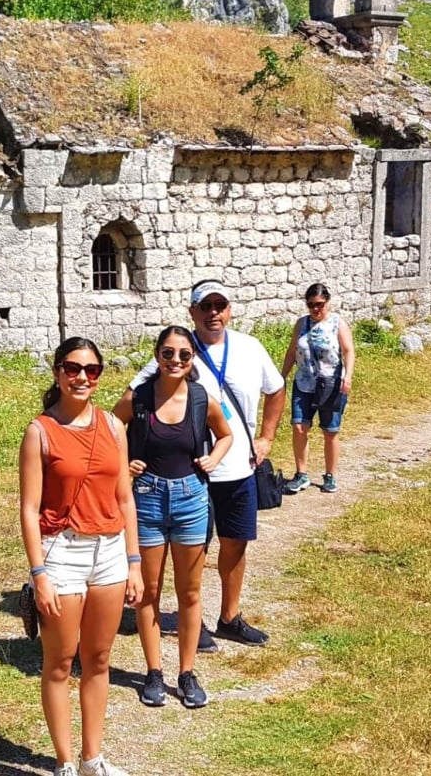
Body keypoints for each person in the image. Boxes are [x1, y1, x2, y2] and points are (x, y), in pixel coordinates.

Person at [121, 279, 286, 652]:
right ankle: (189, 620)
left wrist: (266, 438)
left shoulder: (249, 347)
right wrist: (128, 455)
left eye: (220, 305)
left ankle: (229, 617)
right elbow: (132, 400)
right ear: (192, 312)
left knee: (236, 543)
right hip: (191, 474)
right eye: (205, 306)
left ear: (228, 310)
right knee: (194, 549)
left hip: (238, 467)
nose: (214, 313)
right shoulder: (177, 351)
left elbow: (275, 389)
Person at [19, 337, 143, 776]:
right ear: (57, 372)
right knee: (59, 662)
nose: (82, 377)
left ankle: (93, 758)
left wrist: (134, 563)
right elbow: (29, 510)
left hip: (109, 550)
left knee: (99, 659)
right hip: (62, 552)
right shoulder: (40, 432)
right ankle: (65, 763)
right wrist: (39, 574)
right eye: (73, 368)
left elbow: (125, 500)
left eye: (92, 370)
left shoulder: (113, 427)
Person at [113, 326, 232, 709]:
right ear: (156, 355)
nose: (175, 361)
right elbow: (109, 430)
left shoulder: (201, 399)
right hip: (146, 498)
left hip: (190, 500)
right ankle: (153, 672)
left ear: (192, 358)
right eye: (168, 353)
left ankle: (186, 672)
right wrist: (121, 464)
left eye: (183, 354)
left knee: (190, 591)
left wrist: (215, 457)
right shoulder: (139, 397)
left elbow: (225, 434)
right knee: (147, 591)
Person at [280, 282, 356, 495]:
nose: (316, 309)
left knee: (330, 431)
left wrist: (347, 377)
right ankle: (301, 473)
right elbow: (292, 351)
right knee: (298, 426)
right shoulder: (301, 324)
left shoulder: (337, 323)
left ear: (327, 303)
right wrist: (281, 377)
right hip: (304, 383)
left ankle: (330, 475)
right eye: (311, 304)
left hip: (331, 384)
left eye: (320, 304)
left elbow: (349, 351)